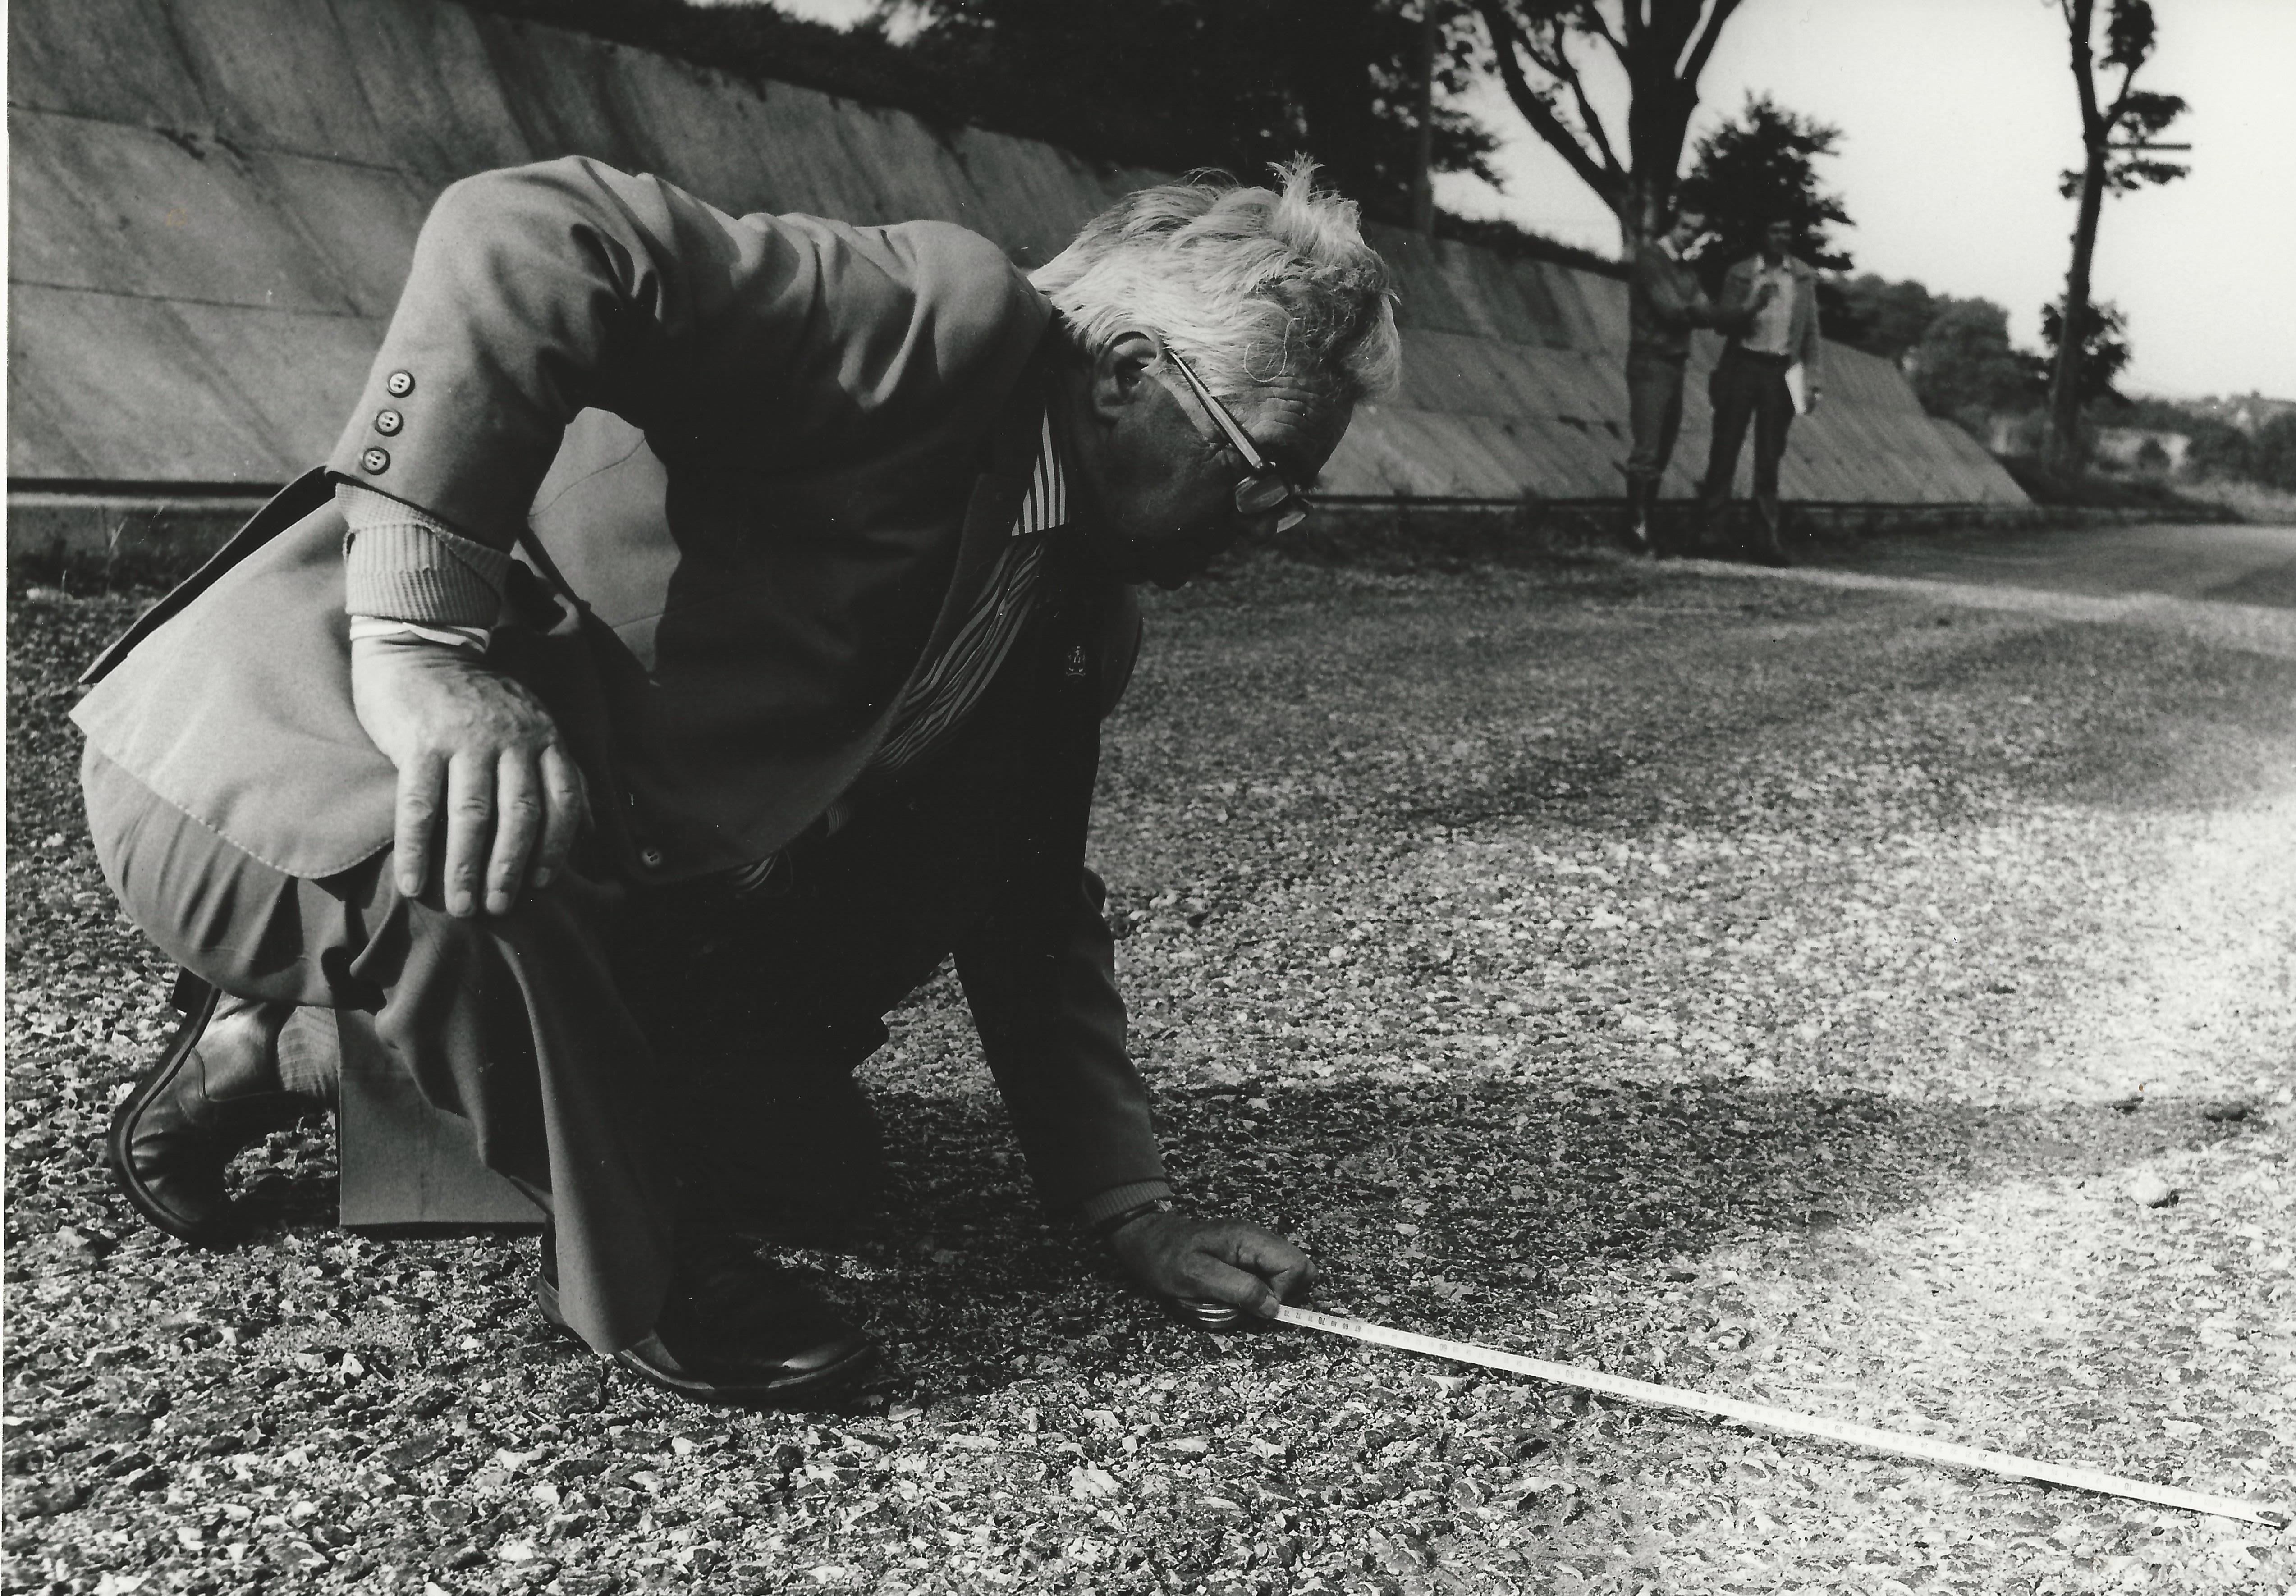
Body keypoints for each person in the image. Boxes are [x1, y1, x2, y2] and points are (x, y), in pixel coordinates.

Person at [75, 157, 1400, 1405]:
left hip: (577, 871)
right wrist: (419, 640)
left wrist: (1132, 1210)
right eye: (1264, 472)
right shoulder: (933, 320)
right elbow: (526, 231)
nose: (1268, 527)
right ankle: (643, 1275)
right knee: (531, 932)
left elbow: (1027, 899)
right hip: (274, 771)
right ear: (1125, 374)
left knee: (810, 1171)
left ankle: (297, 1049)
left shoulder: (1078, 608)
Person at [1621, 203, 1759, 553]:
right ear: (1672, 226)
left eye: (1696, 231)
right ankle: (1636, 531)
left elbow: (1704, 309)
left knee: (1662, 448)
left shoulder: (1685, 269)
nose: (1690, 236)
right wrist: (1708, 313)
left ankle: (1642, 528)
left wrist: (1746, 310)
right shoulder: (1651, 260)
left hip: (1674, 363)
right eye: (1685, 227)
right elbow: (1673, 311)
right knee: (1649, 449)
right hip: (1651, 361)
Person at [1692, 215, 1823, 565]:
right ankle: (1711, 531)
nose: (1781, 237)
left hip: (1781, 371)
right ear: (1762, 235)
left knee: (1770, 458)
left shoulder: (1803, 277)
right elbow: (1721, 324)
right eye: (1774, 230)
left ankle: (1766, 540)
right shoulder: (1741, 273)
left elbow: (1810, 331)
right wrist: (1752, 306)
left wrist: (1813, 379)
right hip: (1742, 365)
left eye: (1786, 231)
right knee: (1725, 449)